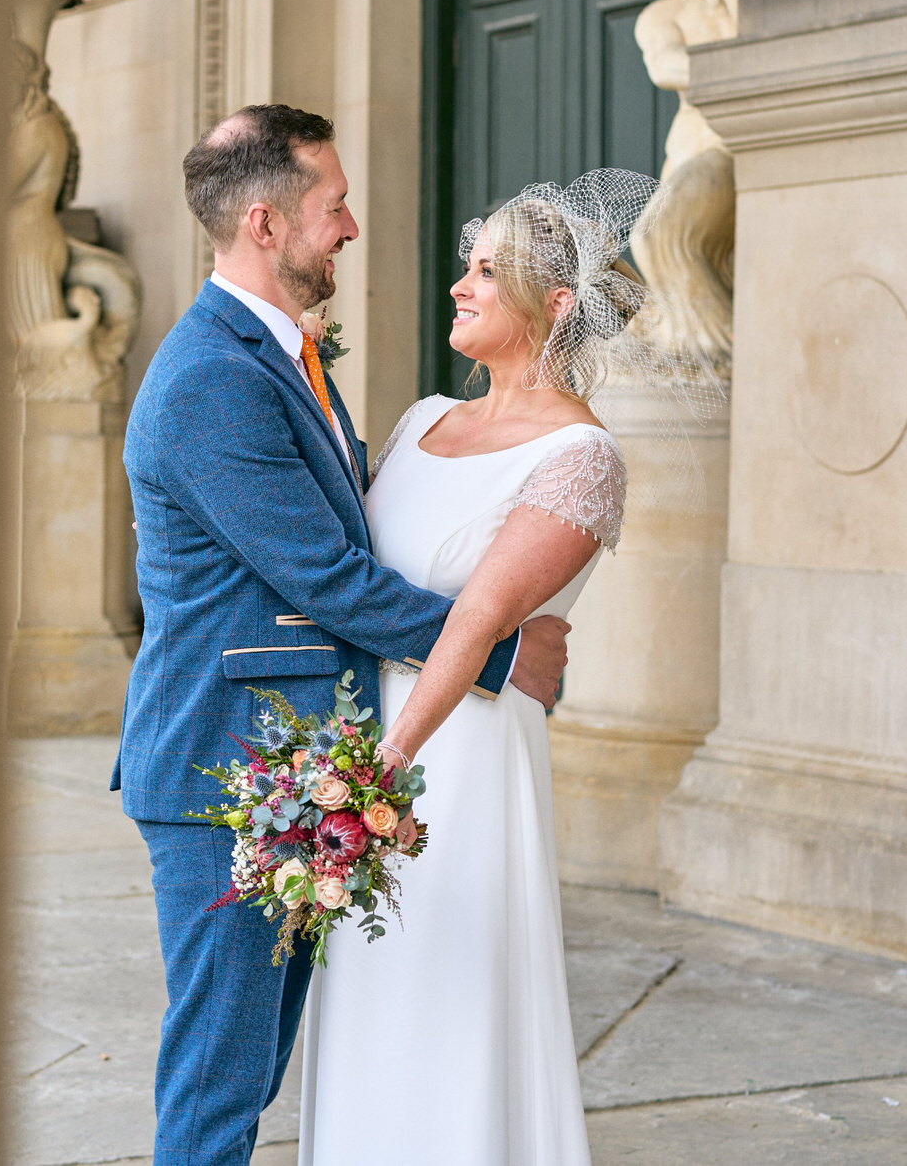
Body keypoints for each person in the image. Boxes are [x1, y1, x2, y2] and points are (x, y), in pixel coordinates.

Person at [114, 103, 572, 1166]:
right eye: (335, 206)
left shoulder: (279, 353)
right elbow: (326, 579)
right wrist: (505, 653)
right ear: (266, 223)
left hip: (281, 761)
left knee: (248, 1068)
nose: (353, 227)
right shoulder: (211, 379)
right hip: (219, 770)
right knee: (218, 1083)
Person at [297, 170, 672, 1166]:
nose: (459, 285)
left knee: (444, 987)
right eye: (465, 266)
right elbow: (348, 583)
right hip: (367, 739)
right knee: (370, 985)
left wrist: (375, 775)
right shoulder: (420, 421)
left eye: (484, 271)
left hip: (452, 760)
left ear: (554, 305)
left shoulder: (580, 455)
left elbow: (474, 624)